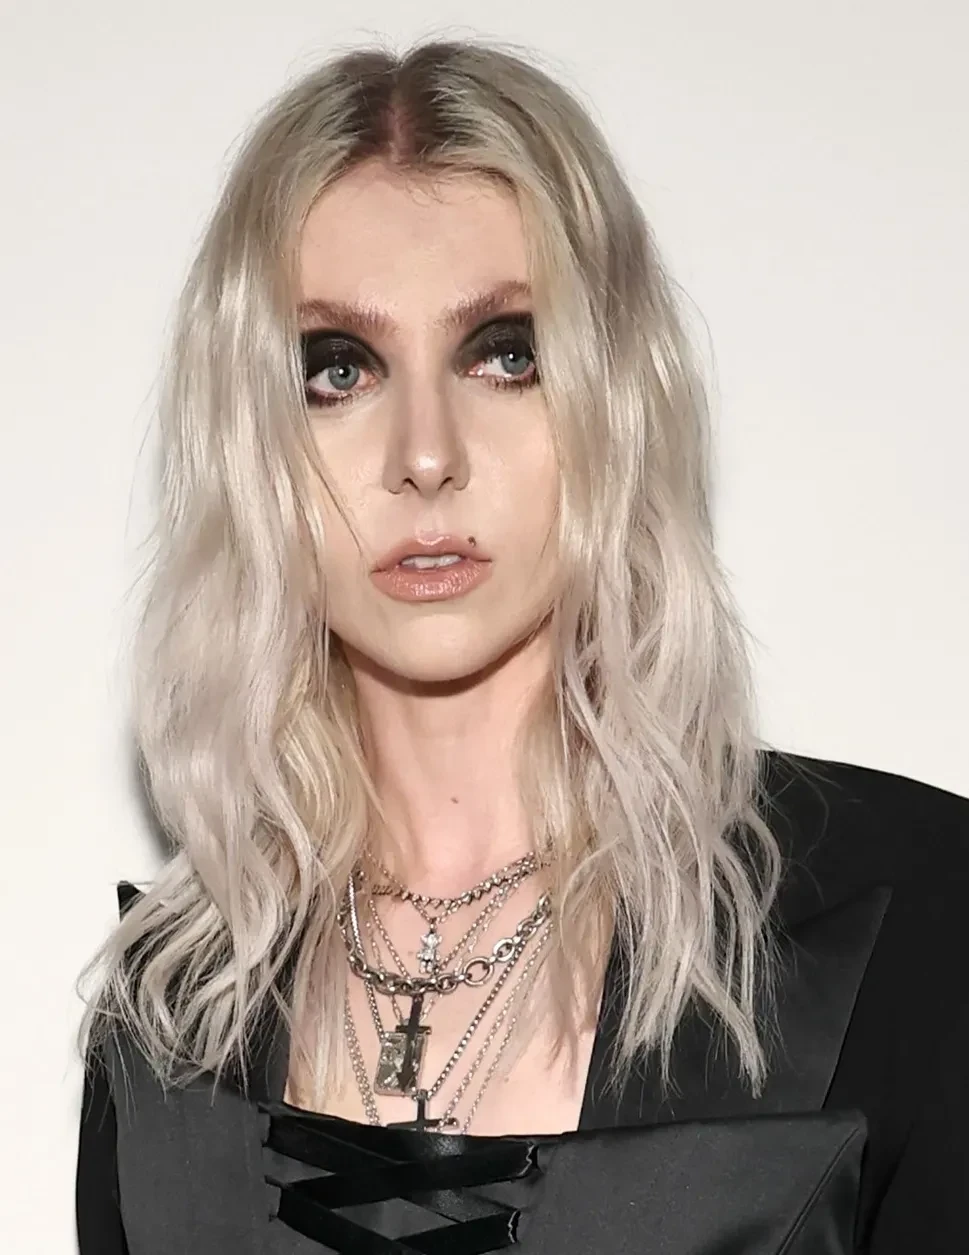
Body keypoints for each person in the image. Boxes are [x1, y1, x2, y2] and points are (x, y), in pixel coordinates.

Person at [75, 36, 969, 1255]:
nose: (425, 453)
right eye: (336, 370)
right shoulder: (169, 1021)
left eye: (507, 353)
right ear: (253, 447)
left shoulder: (919, 921)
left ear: (614, 400)